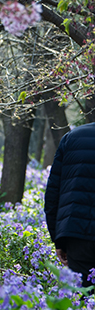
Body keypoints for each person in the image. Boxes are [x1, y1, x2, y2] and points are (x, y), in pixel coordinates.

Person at [45, 121, 95, 287]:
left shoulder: (72, 138)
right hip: (76, 234)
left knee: (82, 297)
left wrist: (58, 240)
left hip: (76, 235)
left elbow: (53, 194)